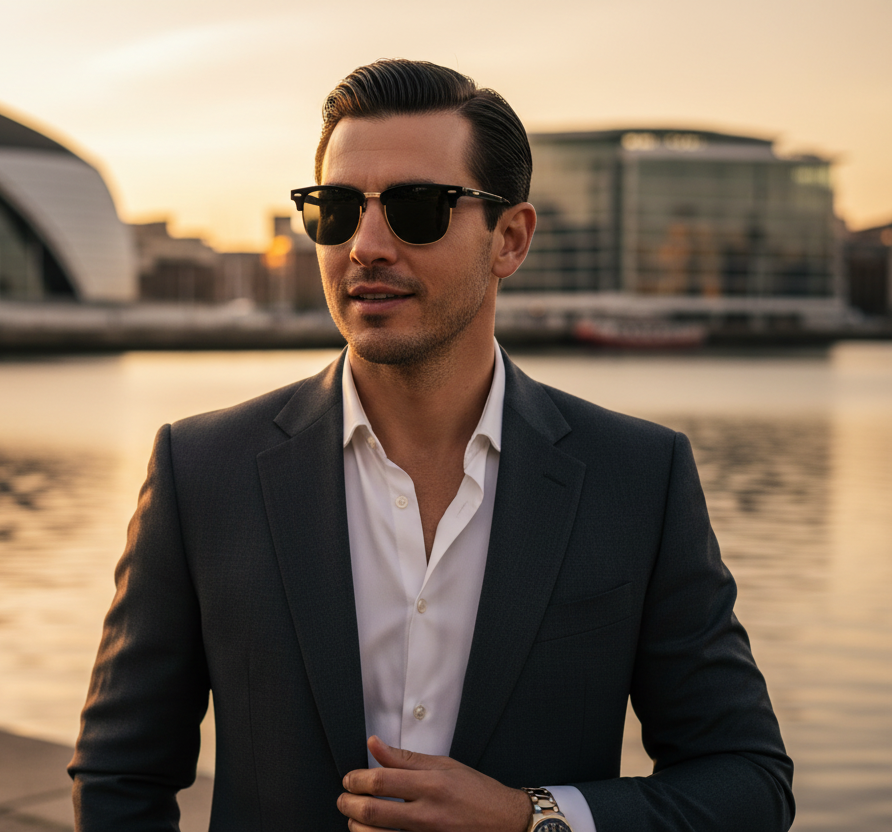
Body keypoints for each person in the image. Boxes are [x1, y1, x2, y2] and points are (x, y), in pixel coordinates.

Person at [69, 59, 793, 831]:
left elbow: (748, 782)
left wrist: (529, 818)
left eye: (417, 208)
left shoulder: (637, 479)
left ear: (509, 239)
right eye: (337, 210)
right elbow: (121, 776)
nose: (366, 246)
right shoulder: (202, 472)